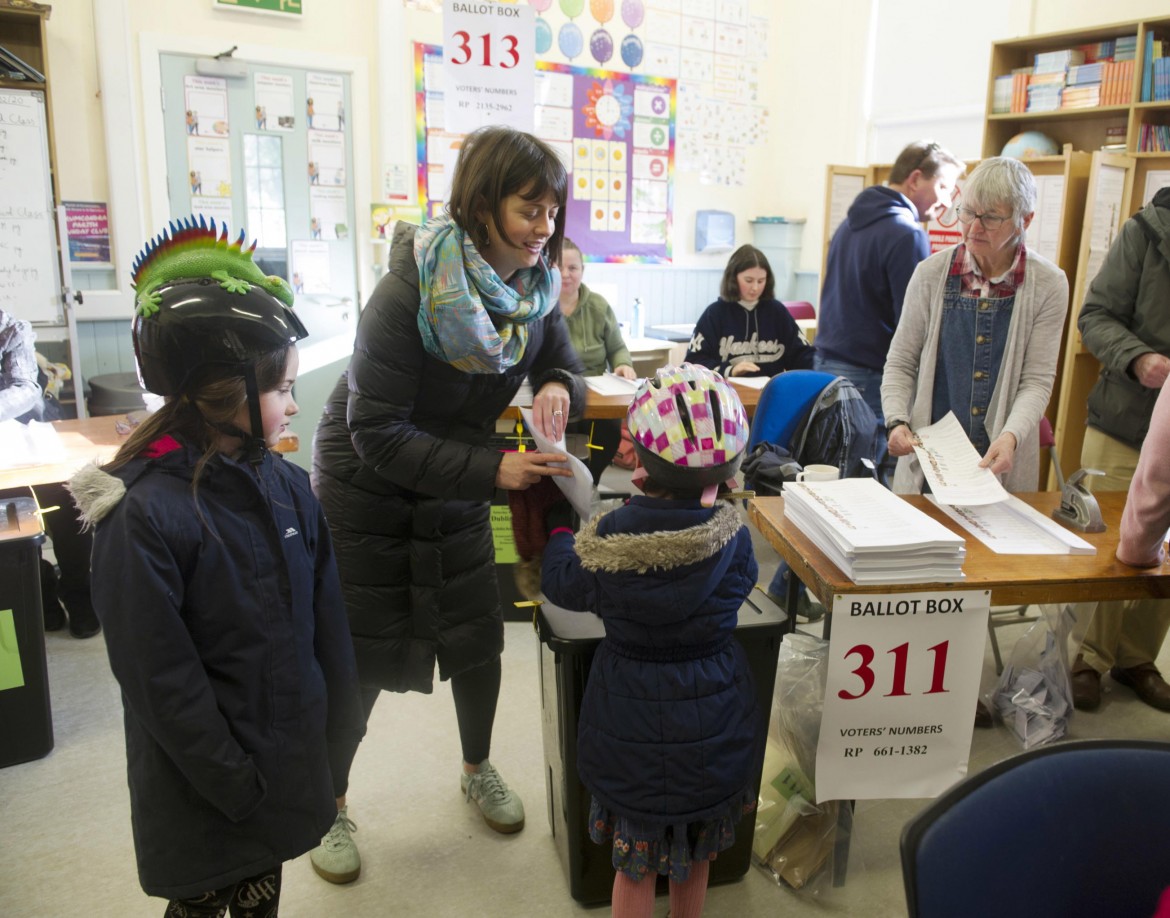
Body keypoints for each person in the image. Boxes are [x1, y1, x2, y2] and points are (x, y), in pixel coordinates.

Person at [310, 125, 586, 884]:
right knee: (362, 654)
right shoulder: (408, 288)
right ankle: (327, 805)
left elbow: (561, 358)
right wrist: (493, 472)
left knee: (475, 633)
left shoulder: (532, 289)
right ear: (483, 203)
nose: (545, 228)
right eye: (530, 210)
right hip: (369, 483)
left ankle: (477, 767)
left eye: (552, 211)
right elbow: (375, 431)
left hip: (467, 473)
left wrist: (559, 384)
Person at [66, 219, 365, 916]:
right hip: (206, 795)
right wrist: (239, 787)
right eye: (283, 386)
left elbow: (329, 625)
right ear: (225, 388)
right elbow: (161, 682)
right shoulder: (140, 517)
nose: (295, 402)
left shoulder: (288, 486)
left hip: (283, 771)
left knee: (262, 898)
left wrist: (337, 734)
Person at [541, 363, 763, 918]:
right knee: (697, 854)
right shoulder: (734, 538)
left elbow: (565, 584)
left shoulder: (613, 534)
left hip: (629, 719)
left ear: (639, 455)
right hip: (712, 711)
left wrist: (561, 532)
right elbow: (740, 587)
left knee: (633, 863)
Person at [880, 156, 1068, 727]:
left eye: (991, 216)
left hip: (997, 463)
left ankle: (958, 695)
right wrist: (894, 422)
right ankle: (913, 698)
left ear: (1024, 220)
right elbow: (901, 362)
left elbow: (1037, 379)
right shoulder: (932, 275)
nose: (974, 226)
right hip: (929, 461)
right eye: (968, 212)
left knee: (978, 580)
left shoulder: (1048, 285)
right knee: (921, 579)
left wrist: (1011, 437)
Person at [1071, 186, 1170, 713]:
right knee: (1108, 548)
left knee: (1166, 555)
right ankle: (1086, 658)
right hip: (1126, 420)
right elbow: (1095, 315)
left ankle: (1137, 659)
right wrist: (1138, 358)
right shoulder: (1144, 233)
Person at [814, 140, 965, 422]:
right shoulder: (907, 233)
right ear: (916, 178)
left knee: (835, 461)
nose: (946, 202)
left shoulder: (848, 225)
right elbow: (912, 323)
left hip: (825, 364)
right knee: (873, 464)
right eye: (943, 187)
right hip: (868, 374)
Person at [0, 308, 99, 638]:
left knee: (68, 510)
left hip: (29, 434)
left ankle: (78, 592)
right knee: (14, 527)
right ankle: (42, 590)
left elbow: (25, 388)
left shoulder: (12, 328)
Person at [558, 236, 636, 485]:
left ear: (582, 270)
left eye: (572, 268)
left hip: (597, 391)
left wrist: (623, 364)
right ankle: (559, 487)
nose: (566, 274)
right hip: (554, 390)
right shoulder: (539, 305)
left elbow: (617, 349)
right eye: (559, 267)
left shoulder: (599, 306)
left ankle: (590, 482)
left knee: (609, 431)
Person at [685, 244, 815, 378]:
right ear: (733, 278)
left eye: (761, 281)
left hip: (769, 391)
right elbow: (694, 363)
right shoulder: (715, 314)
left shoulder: (777, 312)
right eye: (749, 280)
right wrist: (730, 370)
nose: (755, 287)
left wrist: (823, 361)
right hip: (729, 393)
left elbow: (801, 355)